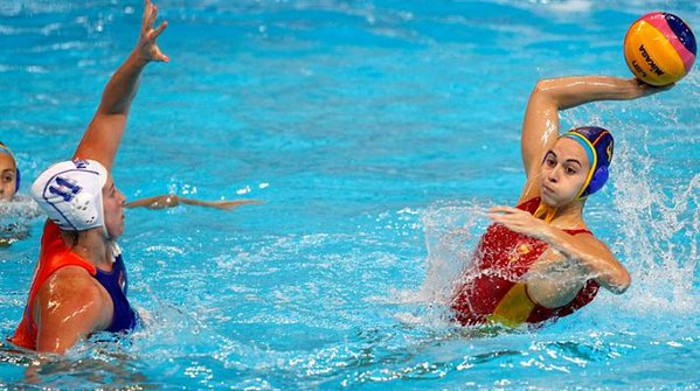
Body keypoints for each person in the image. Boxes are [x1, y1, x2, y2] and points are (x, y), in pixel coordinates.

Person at [10, 0, 168, 354]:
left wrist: (138, 59)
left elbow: (111, 112)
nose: (122, 197)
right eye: (111, 193)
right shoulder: (72, 295)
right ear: (90, 213)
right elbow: (45, 376)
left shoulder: (70, 213)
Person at [450, 77, 670, 328]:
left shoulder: (577, 247)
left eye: (570, 170)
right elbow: (545, 93)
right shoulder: (532, 200)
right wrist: (630, 89)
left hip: (478, 351)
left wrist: (545, 231)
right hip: (438, 328)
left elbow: (620, 280)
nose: (553, 174)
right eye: (551, 161)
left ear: (592, 183)